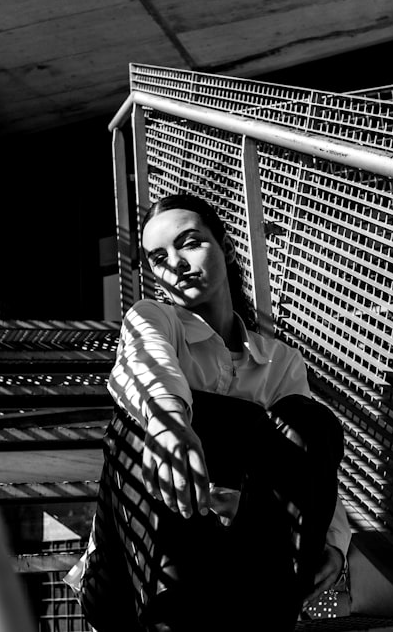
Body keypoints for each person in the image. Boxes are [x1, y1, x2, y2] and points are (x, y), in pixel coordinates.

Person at [66, 193, 350, 631]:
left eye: (190, 243)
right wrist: (170, 424)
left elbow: (311, 466)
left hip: (234, 566)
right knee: (137, 420)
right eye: (158, 257)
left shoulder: (279, 361)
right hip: (130, 577)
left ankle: (266, 600)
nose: (174, 263)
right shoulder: (153, 318)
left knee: (308, 420)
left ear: (226, 247)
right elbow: (145, 365)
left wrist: (332, 543)